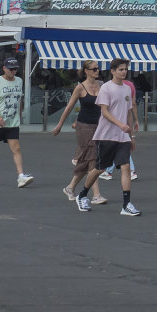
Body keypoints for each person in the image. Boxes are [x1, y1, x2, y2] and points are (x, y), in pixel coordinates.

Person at [75, 59, 135, 214]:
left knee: (126, 167)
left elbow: (128, 113)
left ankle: (126, 204)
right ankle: (82, 195)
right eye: (121, 69)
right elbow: (105, 112)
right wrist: (120, 125)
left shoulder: (127, 89)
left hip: (122, 137)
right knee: (99, 169)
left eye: (125, 69)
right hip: (106, 135)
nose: (124, 72)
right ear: (113, 71)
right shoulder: (106, 88)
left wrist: (131, 135)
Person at [54, 61, 107, 206]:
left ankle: (70, 188)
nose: (97, 71)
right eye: (94, 69)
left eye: (98, 68)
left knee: (87, 161)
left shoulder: (102, 85)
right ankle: (96, 195)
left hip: (99, 126)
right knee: (93, 159)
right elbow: (69, 107)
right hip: (84, 127)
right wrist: (59, 125)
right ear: (86, 71)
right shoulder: (80, 87)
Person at [0, 57, 32, 188]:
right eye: (11, 69)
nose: (13, 71)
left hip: (12, 121)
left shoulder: (19, 81)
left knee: (16, 148)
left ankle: (21, 176)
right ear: (4, 68)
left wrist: (20, 113)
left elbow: (19, 98)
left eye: (15, 69)